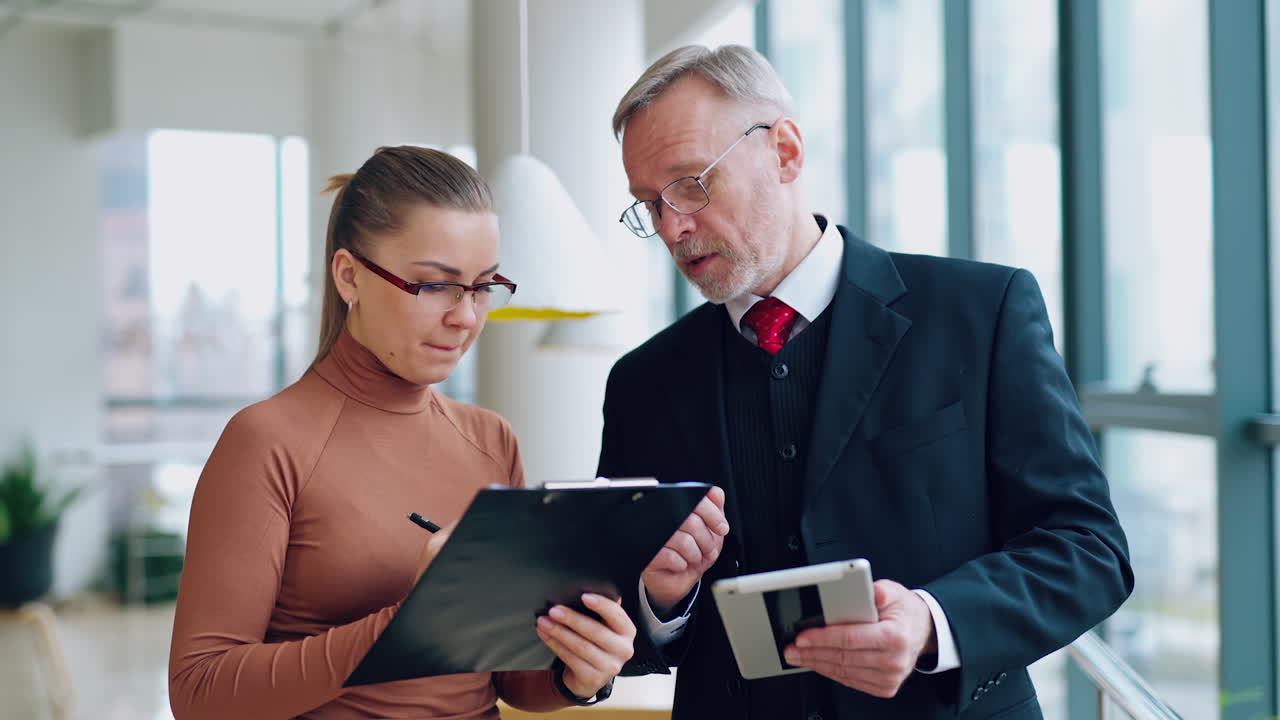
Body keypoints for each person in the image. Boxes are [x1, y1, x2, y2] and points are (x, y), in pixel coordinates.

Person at [598, 45, 1134, 720]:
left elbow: (1088, 550)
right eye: (648, 204)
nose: (673, 226)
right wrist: (659, 598)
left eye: (691, 184)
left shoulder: (981, 313)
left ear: (785, 153)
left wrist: (932, 620)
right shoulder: (642, 382)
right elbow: (621, 624)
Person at [168, 146, 635, 720]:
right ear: (349, 277)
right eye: (435, 286)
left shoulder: (492, 440)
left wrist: (578, 671)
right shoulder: (266, 441)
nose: (465, 316)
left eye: (483, 286)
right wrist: (409, 622)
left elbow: (507, 679)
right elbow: (200, 694)